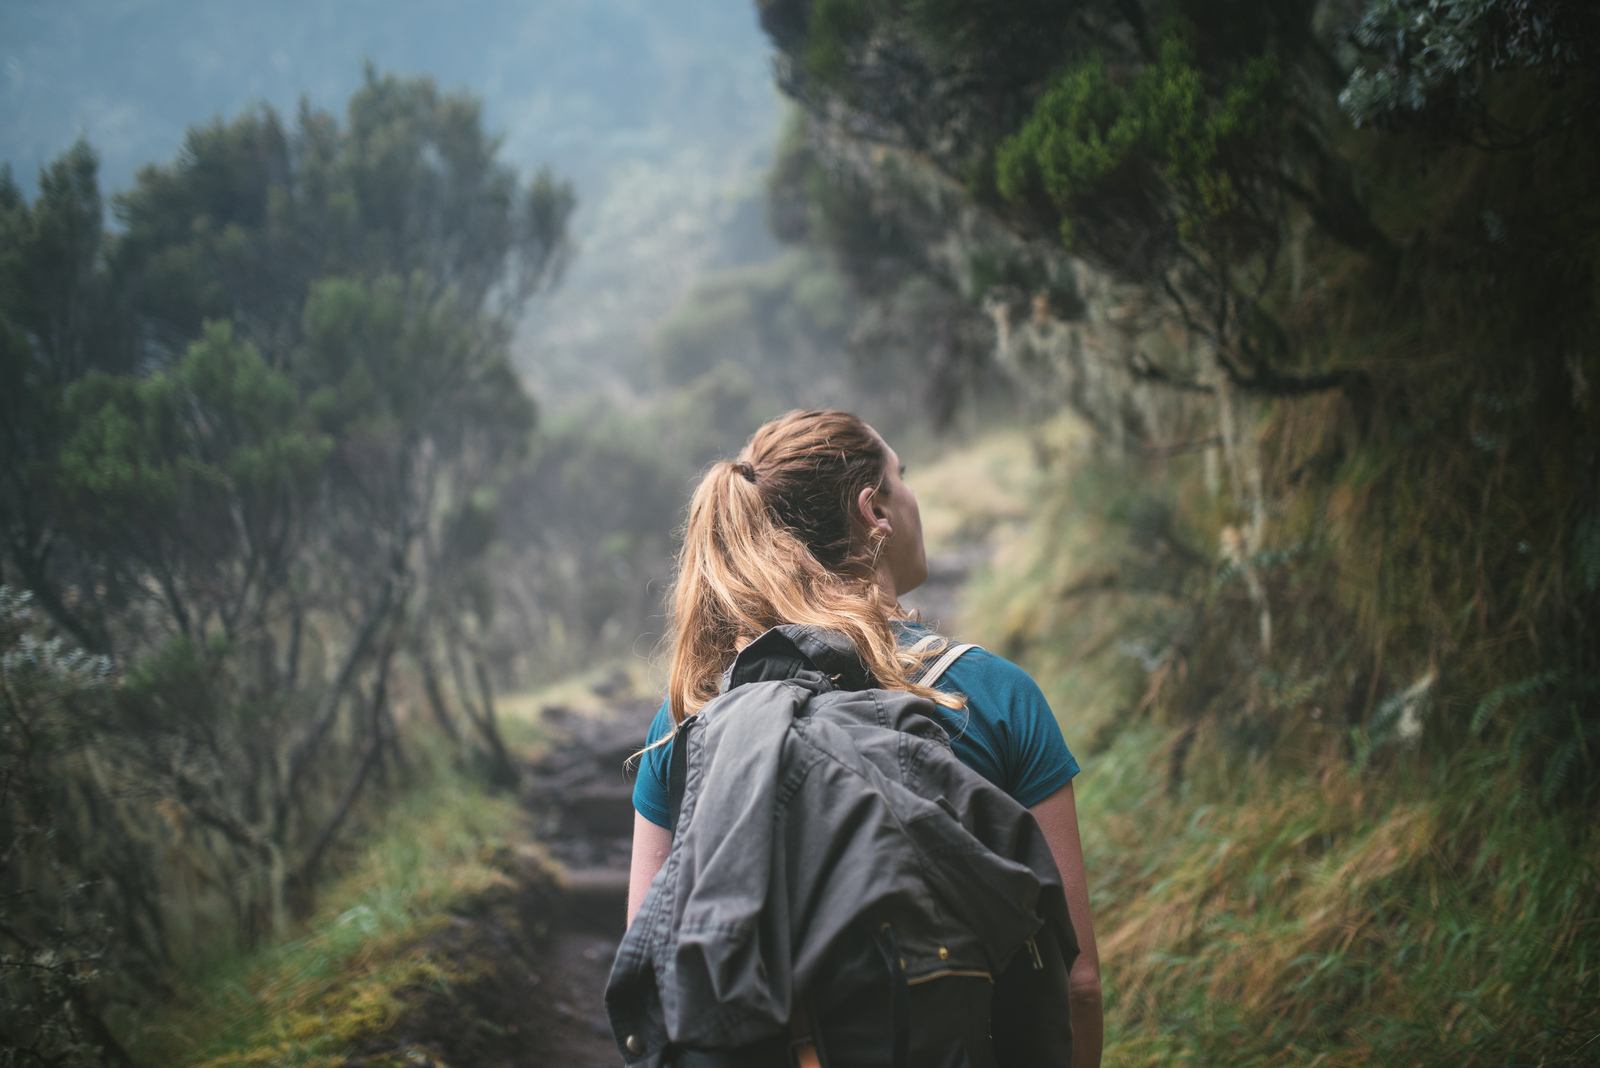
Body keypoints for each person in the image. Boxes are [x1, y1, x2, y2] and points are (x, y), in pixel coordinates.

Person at [624, 408, 1103, 1067]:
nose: (912, 498)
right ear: (874, 509)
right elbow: (1076, 982)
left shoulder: (693, 718)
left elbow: (656, 968)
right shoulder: (993, 695)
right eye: (901, 477)